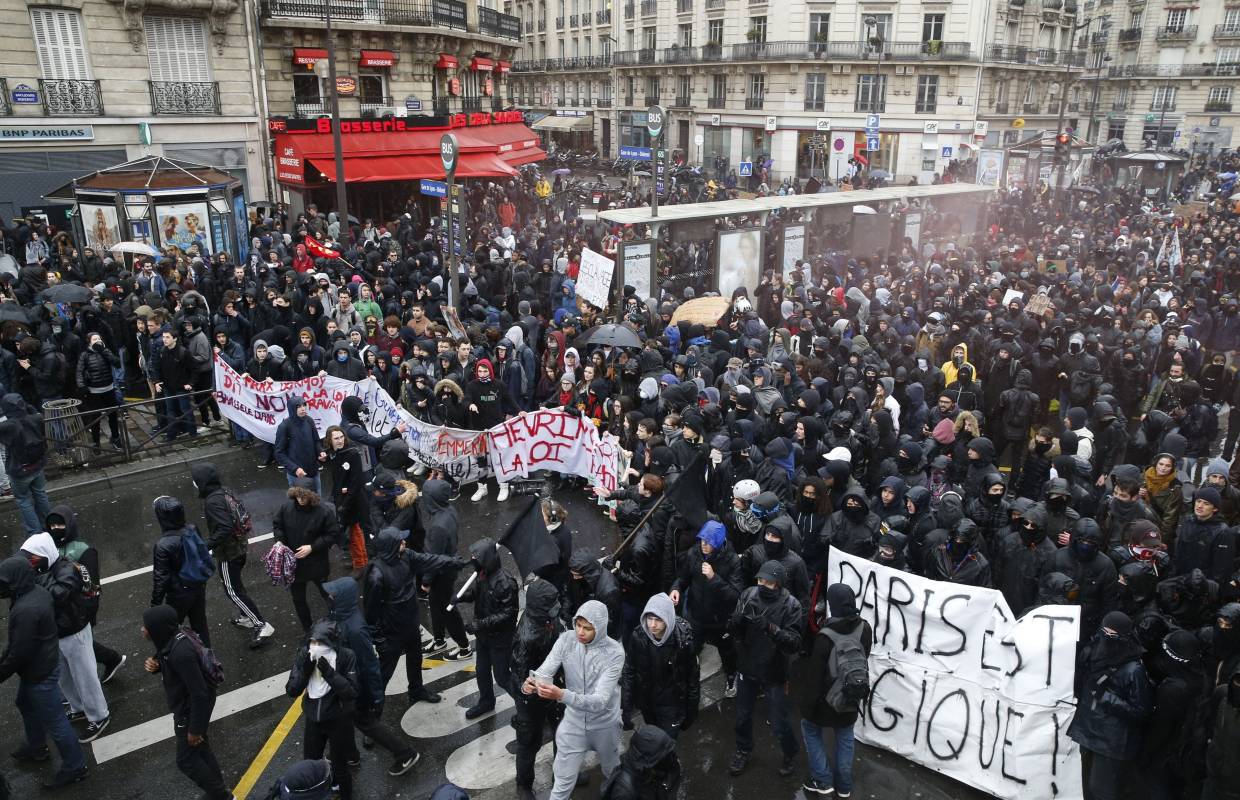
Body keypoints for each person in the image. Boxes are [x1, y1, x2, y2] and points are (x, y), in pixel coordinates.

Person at [0, 556, 88, 789]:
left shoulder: (25, 609)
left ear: (16, 581)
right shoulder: (35, 592)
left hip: (38, 673)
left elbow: (19, 652)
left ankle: (75, 767)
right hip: (44, 663)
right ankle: (36, 746)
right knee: (25, 704)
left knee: (56, 722)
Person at [525, 599, 625, 800]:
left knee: (613, 776)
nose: (580, 632)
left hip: (605, 725)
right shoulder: (566, 640)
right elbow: (546, 669)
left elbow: (600, 701)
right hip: (574, 723)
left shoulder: (614, 653)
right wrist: (531, 683)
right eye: (578, 625)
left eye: (587, 628)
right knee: (562, 782)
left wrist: (561, 695)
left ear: (600, 628)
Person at [322, 577, 421, 777]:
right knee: (345, 719)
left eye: (333, 595)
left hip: (357, 687)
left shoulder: (356, 630)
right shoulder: (341, 616)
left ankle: (405, 753)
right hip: (348, 684)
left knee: (363, 721)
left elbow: (370, 665)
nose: (329, 597)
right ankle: (347, 754)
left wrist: (376, 695)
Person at [20, 532, 111, 743]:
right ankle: (78, 707)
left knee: (84, 675)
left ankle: (99, 715)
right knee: (64, 676)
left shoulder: (67, 569)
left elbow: (60, 594)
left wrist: (37, 579)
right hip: (55, 632)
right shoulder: (47, 570)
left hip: (74, 631)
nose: (30, 563)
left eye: (33, 558)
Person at [362, 527, 465, 707]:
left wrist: (454, 562)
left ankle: (416, 690)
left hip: (411, 624)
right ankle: (372, 703)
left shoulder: (406, 555)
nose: (404, 542)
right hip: (391, 632)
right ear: (391, 546)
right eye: (400, 541)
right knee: (385, 670)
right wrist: (379, 640)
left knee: (415, 659)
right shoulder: (376, 575)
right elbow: (371, 611)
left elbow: (430, 560)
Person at [141, 604, 231, 800]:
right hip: (190, 705)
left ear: (158, 628)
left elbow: (199, 693)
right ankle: (218, 791)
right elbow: (169, 659)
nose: (142, 629)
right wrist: (158, 665)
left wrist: (195, 729)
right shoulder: (175, 638)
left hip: (189, 710)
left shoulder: (180, 655)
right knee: (200, 749)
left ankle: (221, 795)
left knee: (186, 759)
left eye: (146, 626)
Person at [727, 559, 803, 778]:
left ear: (778, 584)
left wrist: (771, 629)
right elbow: (733, 631)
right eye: (760, 580)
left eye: (768, 582)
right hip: (748, 667)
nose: (762, 585)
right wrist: (737, 621)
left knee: (779, 722)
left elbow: (795, 642)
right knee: (742, 716)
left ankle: (789, 752)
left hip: (774, 671)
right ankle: (742, 749)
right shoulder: (748, 595)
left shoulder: (792, 605)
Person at [1068, 611, 1153, 800]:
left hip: (1111, 742)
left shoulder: (1134, 670)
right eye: (1103, 632)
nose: (1105, 638)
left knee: (1102, 791)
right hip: (1088, 731)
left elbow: (1140, 711)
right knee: (1085, 788)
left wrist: (1106, 697)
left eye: (1112, 635)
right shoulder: (1094, 652)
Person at [797, 584, 872, 797]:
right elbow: (864, 657)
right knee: (846, 736)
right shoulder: (865, 628)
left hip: (825, 701)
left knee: (810, 729)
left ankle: (822, 780)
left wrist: (807, 707)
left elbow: (815, 677)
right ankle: (844, 786)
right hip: (850, 695)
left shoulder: (825, 636)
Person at [191, 462, 274, 648]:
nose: (194, 484)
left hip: (228, 553)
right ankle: (246, 616)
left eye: (195, 480)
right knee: (236, 587)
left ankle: (260, 624)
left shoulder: (212, 501)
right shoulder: (224, 492)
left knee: (232, 591)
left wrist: (206, 546)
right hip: (240, 547)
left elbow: (225, 528)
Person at [44, 505, 125, 683]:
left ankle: (109, 662)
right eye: (52, 526)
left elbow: (92, 585)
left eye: (60, 525)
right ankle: (111, 660)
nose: (55, 530)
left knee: (80, 646)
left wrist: (88, 612)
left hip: (80, 608)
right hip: (61, 607)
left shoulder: (84, 550)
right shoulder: (48, 547)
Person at [285, 620, 359, 800]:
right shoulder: (304, 654)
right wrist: (305, 671)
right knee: (311, 764)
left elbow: (351, 691)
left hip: (338, 720)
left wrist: (329, 673)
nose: (316, 647)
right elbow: (292, 690)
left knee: (340, 768)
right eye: (313, 642)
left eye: (321, 643)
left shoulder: (346, 656)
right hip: (313, 720)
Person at [670, 520, 743, 698]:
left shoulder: (732, 561)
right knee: (690, 646)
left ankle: (731, 675)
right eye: (702, 539)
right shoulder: (694, 553)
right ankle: (687, 676)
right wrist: (676, 588)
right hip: (696, 614)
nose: (704, 544)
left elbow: (736, 595)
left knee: (727, 651)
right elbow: (683, 577)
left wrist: (714, 578)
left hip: (720, 619)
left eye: (708, 542)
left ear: (718, 543)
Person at [620, 593, 700, 738]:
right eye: (649, 618)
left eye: (658, 620)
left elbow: (692, 676)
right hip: (649, 703)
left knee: (667, 743)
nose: (652, 625)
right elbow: (629, 670)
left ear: (668, 619)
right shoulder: (639, 636)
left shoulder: (682, 640)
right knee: (656, 740)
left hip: (672, 705)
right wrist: (626, 707)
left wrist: (692, 710)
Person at [457, 537, 518, 719]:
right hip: (484, 637)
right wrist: (462, 597)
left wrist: (480, 624)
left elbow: (508, 614)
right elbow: (477, 594)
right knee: (482, 670)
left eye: (477, 558)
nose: (474, 562)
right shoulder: (483, 575)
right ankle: (486, 701)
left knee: (502, 677)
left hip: (500, 640)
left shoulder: (505, 582)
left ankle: (526, 706)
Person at [272, 479, 339, 632]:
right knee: (298, 600)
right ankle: (307, 630)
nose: (301, 500)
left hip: (316, 562)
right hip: (294, 565)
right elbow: (278, 525)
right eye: (298, 496)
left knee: (327, 593)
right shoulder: (286, 508)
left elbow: (333, 533)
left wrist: (312, 547)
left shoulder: (323, 511)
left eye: (304, 496)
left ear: (312, 496)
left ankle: (337, 620)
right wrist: (279, 541)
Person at [419, 479, 473, 659]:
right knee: (435, 605)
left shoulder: (437, 527)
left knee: (447, 609)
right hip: (448, 566)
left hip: (441, 573)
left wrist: (426, 581)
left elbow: (433, 558)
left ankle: (464, 647)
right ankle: (439, 639)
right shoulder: (449, 511)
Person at [150, 495, 212, 646]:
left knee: (169, 629)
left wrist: (155, 605)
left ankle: (167, 660)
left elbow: (161, 578)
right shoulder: (192, 529)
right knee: (200, 624)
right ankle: (208, 659)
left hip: (179, 593)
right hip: (198, 586)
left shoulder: (163, 545)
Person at [0, 393, 51, 537]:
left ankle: (35, 532)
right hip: (38, 465)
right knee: (40, 494)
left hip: (20, 470)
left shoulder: (9, 426)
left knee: (23, 500)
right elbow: (35, 411)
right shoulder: (36, 418)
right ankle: (49, 524)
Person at [600, 725, 682, 800]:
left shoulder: (652, 764)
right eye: (663, 755)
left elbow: (673, 768)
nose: (668, 756)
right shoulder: (624, 792)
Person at [275, 395, 326, 494]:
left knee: (317, 500)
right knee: (302, 504)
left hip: (313, 470)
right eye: (298, 406)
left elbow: (316, 441)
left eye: (304, 405)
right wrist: (295, 469)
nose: (303, 408)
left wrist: (320, 452)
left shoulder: (309, 420)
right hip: (297, 475)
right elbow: (279, 453)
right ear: (292, 408)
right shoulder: (284, 426)